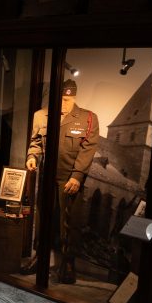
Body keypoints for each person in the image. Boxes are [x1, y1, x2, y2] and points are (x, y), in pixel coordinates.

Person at [26, 79, 99, 284]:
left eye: (67, 99)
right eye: (60, 99)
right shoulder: (41, 115)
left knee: (69, 221)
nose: (64, 104)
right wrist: (32, 157)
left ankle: (68, 262)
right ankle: (39, 256)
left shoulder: (88, 118)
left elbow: (88, 149)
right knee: (42, 217)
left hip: (69, 177)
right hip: (46, 176)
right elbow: (36, 142)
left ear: (74, 97)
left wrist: (77, 176)